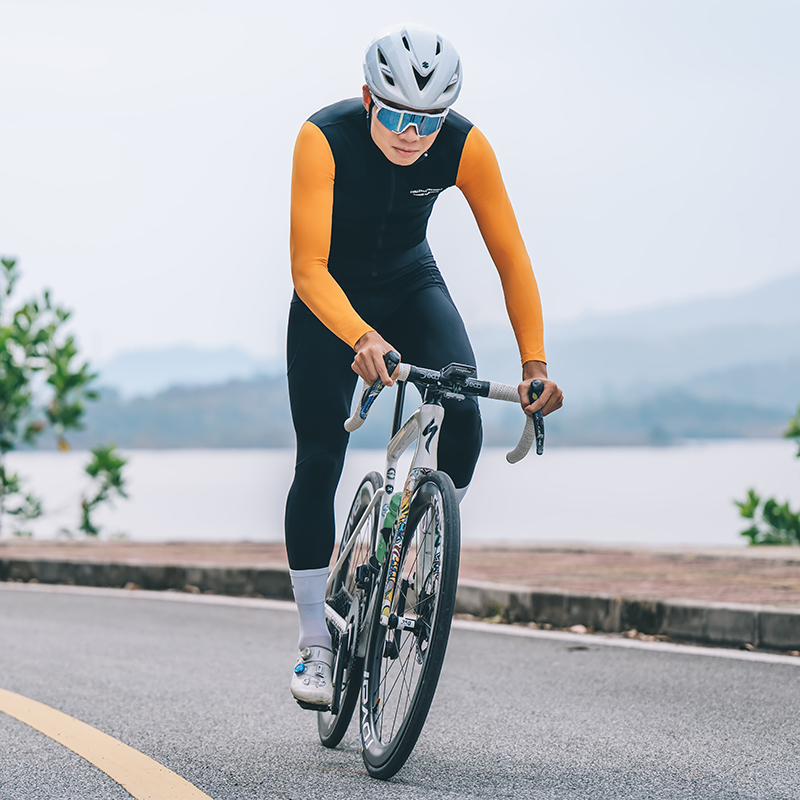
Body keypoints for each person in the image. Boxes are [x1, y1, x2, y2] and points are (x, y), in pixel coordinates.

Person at [285, 23, 563, 708]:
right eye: (397, 115)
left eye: (428, 121)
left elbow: (511, 256)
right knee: (320, 459)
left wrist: (534, 362)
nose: (412, 134)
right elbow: (308, 268)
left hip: (411, 284)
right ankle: (315, 644)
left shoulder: (465, 145)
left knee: (463, 407)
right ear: (367, 98)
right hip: (332, 303)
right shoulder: (324, 138)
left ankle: (422, 548)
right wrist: (359, 335)